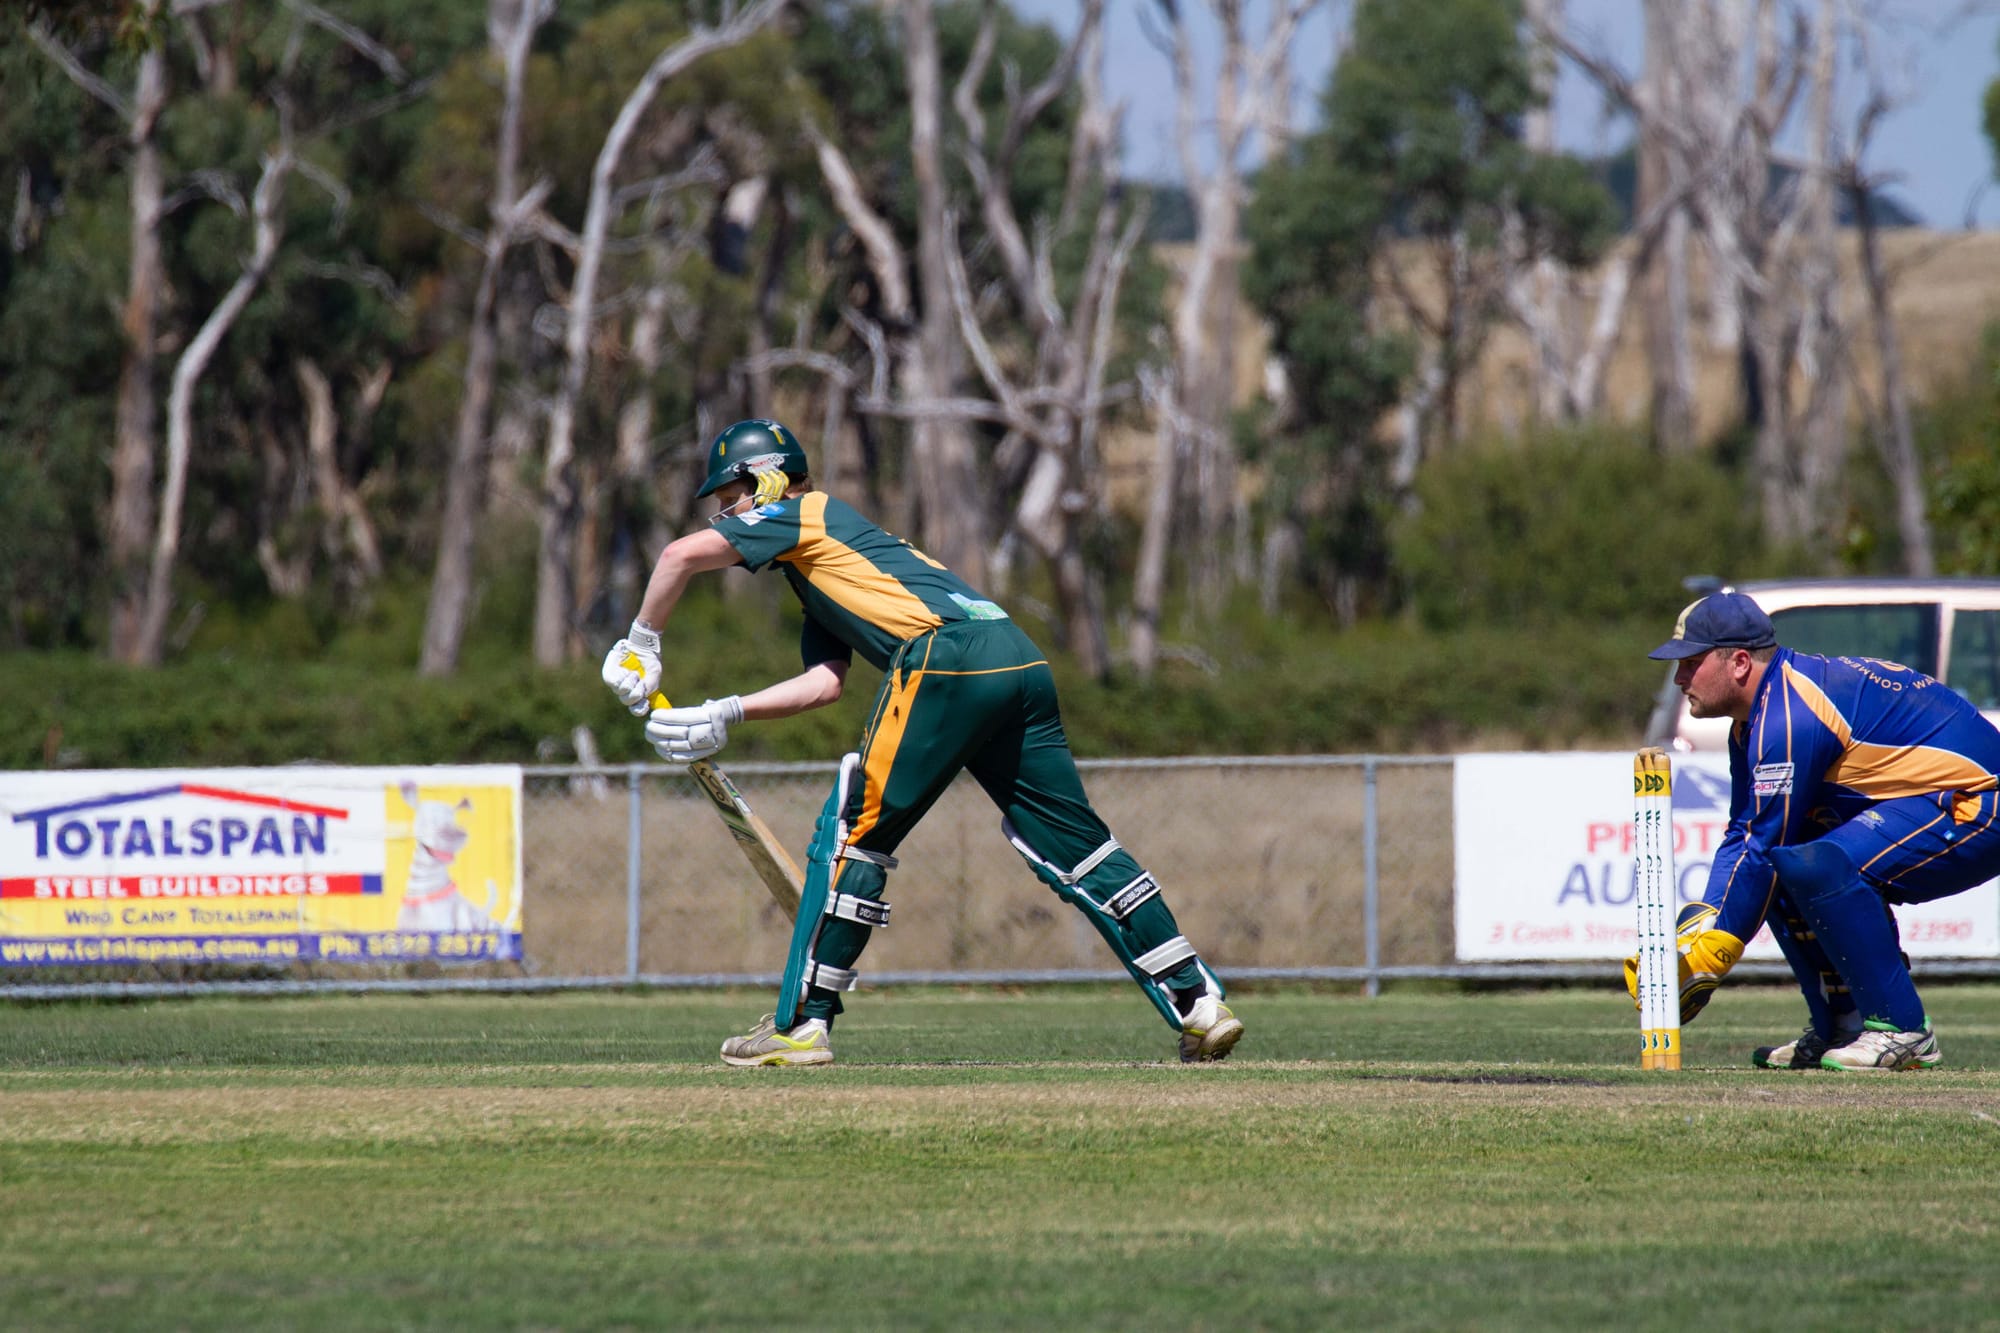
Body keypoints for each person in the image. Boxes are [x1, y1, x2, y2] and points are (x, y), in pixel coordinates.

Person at [600, 419, 1243, 1067]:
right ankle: (1200, 1004)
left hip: (947, 656)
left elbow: (677, 556)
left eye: (730, 494)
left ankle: (804, 1024)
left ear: (768, 480)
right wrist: (725, 713)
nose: (722, 511)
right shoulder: (820, 566)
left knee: (854, 834)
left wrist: (641, 643)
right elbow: (825, 683)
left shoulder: (805, 512)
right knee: (1075, 844)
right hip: (1016, 657)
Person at [1625, 590, 2000, 1071]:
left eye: (1691, 662)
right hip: (1938, 801)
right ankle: (1842, 1028)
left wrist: (1711, 955)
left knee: (1816, 863)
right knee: (1791, 862)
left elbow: (1760, 848)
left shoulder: (1788, 716)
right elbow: (1745, 836)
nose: (1679, 677)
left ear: (1739, 662)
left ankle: (1903, 1029)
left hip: (1977, 803)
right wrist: (1700, 927)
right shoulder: (1757, 717)